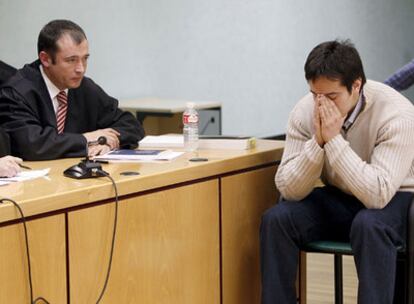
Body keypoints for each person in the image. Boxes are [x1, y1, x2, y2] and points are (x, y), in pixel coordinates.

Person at [260, 40, 414, 304]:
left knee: (369, 224)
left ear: (356, 86)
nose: (321, 105)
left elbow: (378, 194)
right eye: (314, 94)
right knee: (277, 219)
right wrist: (317, 144)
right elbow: (288, 188)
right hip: (342, 196)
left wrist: (333, 141)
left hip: (396, 197)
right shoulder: (304, 111)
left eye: (331, 97)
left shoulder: (398, 114)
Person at [0, 19, 144, 160]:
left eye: (85, 58)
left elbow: (131, 124)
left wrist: (105, 141)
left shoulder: (84, 87)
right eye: (71, 60)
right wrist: (85, 140)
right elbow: (32, 145)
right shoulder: (17, 92)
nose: (80, 69)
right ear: (45, 59)